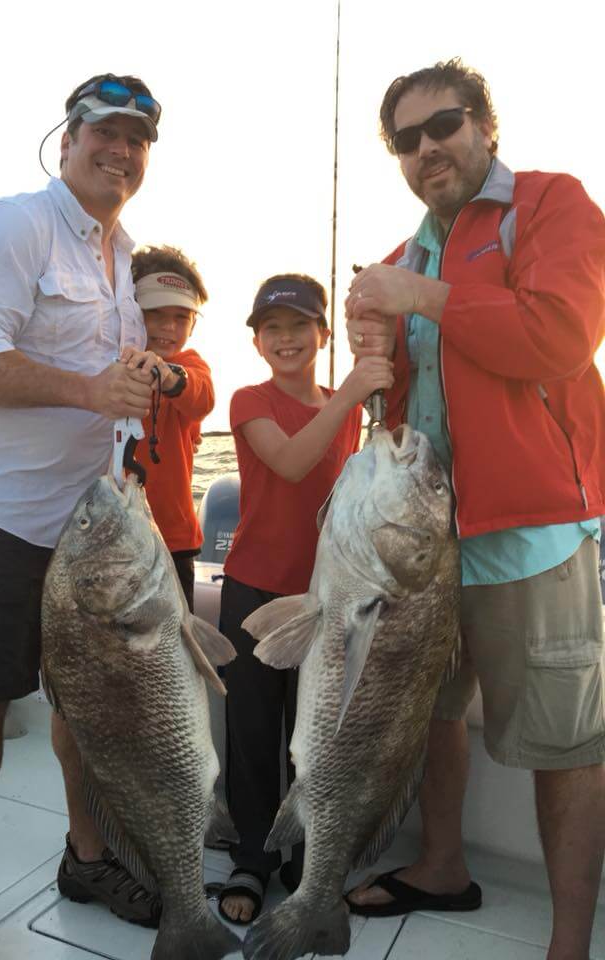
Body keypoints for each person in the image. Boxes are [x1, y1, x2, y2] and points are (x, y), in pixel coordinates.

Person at [344, 58, 605, 960]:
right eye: (405, 140)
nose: (427, 149)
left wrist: (419, 298)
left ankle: (569, 942)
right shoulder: (399, 257)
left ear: (485, 126)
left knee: (565, 742)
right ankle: (444, 865)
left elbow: (560, 337)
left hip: (531, 538)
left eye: (443, 125)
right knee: (431, 708)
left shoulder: (551, 205)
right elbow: (400, 404)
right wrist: (374, 350)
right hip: (423, 543)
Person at [0, 73, 166, 959]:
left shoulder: (120, 253)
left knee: (88, 705)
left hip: (86, 521)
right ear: (66, 140)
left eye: (138, 139)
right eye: (104, 132)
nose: (121, 150)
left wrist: (132, 412)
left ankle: (85, 858)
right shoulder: (11, 225)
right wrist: (91, 387)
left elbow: (114, 390)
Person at [217, 274, 394, 924]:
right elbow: (290, 462)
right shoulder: (247, 399)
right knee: (254, 730)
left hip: (327, 599)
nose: (286, 339)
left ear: (323, 335)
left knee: (320, 736)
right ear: (258, 341)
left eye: (299, 327)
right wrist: (349, 393)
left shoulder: (349, 407)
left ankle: (306, 853)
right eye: (273, 329)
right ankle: (252, 857)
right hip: (253, 589)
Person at [130, 245, 214, 611]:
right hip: (114, 541)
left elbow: (201, 396)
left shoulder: (190, 364)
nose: (168, 327)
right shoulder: (105, 365)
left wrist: (168, 376)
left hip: (173, 541)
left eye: (181, 317)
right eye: (154, 314)